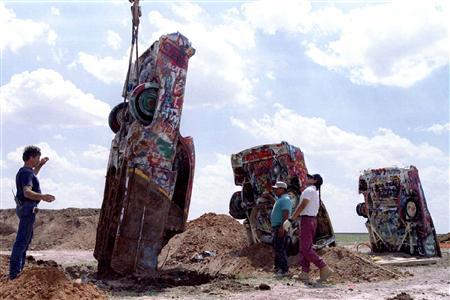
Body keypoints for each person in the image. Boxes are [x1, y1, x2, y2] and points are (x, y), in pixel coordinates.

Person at [9, 146, 55, 280]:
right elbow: (27, 192)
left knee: (25, 240)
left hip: (23, 207)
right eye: (37, 158)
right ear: (31, 157)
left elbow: (32, 174)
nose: (38, 160)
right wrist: (43, 197)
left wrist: (40, 166)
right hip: (28, 208)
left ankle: (18, 271)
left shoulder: (24, 171)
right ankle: (14, 274)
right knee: (22, 241)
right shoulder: (26, 173)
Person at [290, 174, 333, 283]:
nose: (307, 178)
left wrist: (291, 219)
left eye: (310, 177)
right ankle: (304, 273)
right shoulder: (314, 192)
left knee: (306, 248)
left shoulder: (309, 190)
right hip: (310, 220)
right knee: (304, 247)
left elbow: (302, 206)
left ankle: (323, 267)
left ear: (314, 181)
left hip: (307, 220)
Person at [270, 181, 291, 277]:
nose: (275, 190)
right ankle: (278, 267)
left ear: (282, 189)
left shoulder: (285, 199)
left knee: (280, 247)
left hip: (280, 226)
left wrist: (282, 227)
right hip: (277, 226)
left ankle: (284, 270)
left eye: (276, 189)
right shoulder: (281, 199)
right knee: (277, 247)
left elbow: (285, 213)